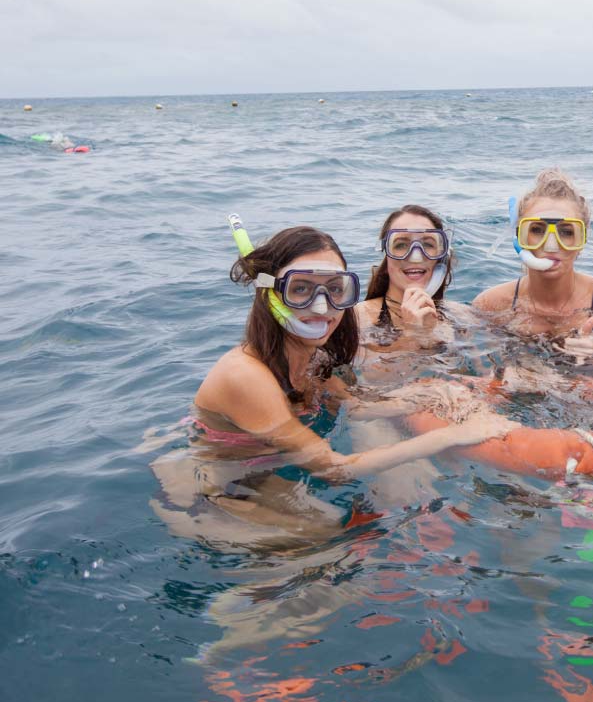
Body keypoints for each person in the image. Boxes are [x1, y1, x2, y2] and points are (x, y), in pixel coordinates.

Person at [150, 225, 510, 549]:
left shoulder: (313, 357)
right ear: (270, 293)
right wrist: (451, 436)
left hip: (266, 473)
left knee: (368, 524)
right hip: (213, 496)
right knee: (339, 543)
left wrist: (436, 393)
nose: (322, 307)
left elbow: (358, 406)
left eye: (335, 290)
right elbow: (332, 469)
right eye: (301, 289)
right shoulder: (245, 375)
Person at [472, 168, 593, 363]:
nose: (551, 245)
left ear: (582, 239)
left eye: (566, 232)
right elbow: (483, 371)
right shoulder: (490, 305)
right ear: (519, 237)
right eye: (537, 230)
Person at [357, 204, 458, 351]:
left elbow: (480, 372)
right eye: (401, 245)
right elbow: (371, 374)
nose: (416, 257)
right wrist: (414, 334)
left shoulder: (460, 316)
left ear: (441, 257)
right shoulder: (357, 319)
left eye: (428, 244)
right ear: (386, 255)